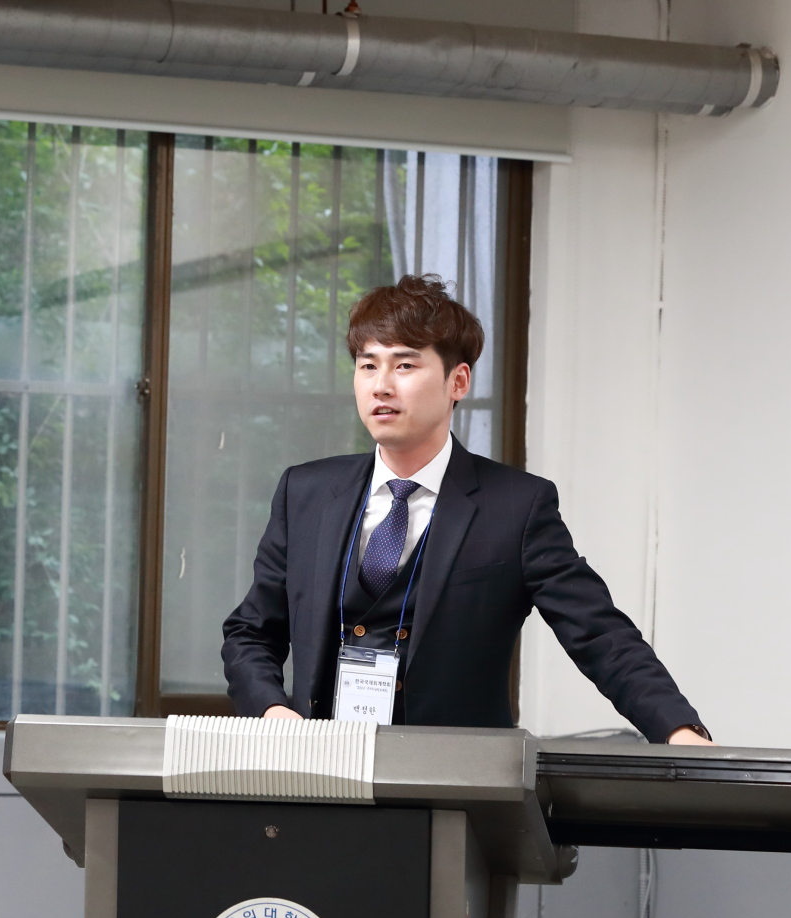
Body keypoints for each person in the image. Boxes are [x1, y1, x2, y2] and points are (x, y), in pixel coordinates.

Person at [222, 274, 716, 745]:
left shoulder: (517, 507)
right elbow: (251, 632)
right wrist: (272, 710)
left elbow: (599, 634)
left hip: (455, 780)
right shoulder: (305, 492)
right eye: (367, 365)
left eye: (405, 365)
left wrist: (677, 730)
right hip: (323, 769)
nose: (381, 385)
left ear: (458, 382)